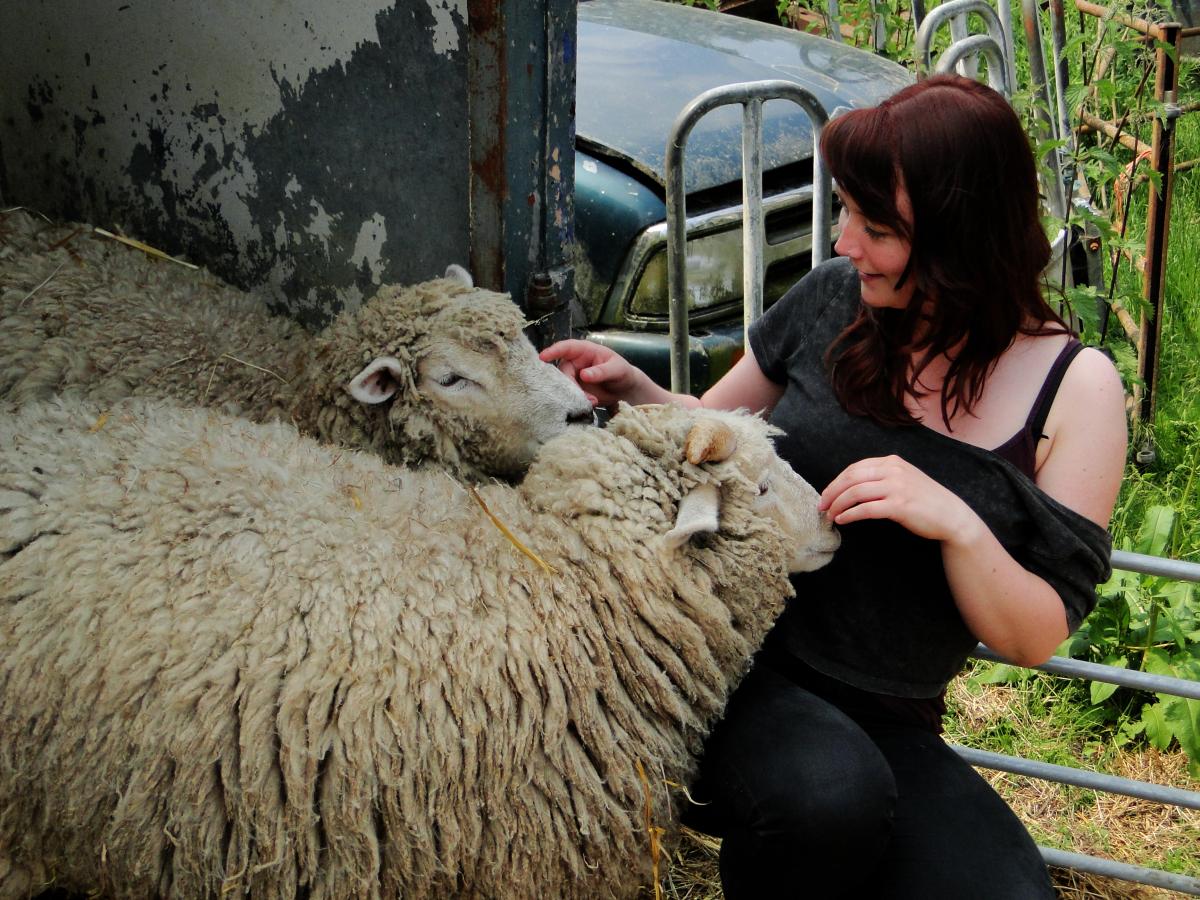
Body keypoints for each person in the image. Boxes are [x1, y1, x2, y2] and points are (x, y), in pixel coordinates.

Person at [541, 74, 1127, 898]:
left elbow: (1034, 635)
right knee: (827, 796)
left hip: (890, 712)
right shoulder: (834, 301)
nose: (844, 241)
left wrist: (955, 521)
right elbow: (719, 433)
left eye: (875, 225)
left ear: (962, 240)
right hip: (739, 665)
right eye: (845, 211)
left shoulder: (1076, 389)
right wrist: (634, 390)